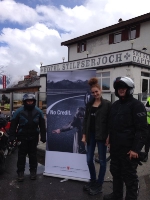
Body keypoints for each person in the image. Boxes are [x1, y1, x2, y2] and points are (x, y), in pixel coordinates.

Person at [103, 77, 148, 200]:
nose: (121, 90)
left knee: (130, 178)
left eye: (123, 87)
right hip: (115, 149)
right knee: (115, 173)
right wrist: (109, 138)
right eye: (118, 88)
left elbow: (142, 130)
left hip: (129, 150)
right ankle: (116, 196)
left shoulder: (137, 105)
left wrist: (135, 149)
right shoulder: (115, 105)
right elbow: (111, 125)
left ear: (129, 89)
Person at [81, 77, 111, 196]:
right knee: (89, 160)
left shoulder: (107, 105)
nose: (95, 94)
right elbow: (86, 120)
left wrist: (109, 136)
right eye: (93, 92)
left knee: (103, 161)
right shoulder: (89, 104)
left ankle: (99, 184)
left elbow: (110, 122)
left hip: (102, 136)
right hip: (90, 135)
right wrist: (84, 135)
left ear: (100, 90)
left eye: (96, 92)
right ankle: (93, 180)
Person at [9, 93, 46, 182]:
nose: (30, 103)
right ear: (24, 102)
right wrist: (12, 137)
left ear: (34, 101)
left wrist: (43, 136)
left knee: (33, 155)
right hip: (22, 137)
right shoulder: (19, 112)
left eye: (31, 101)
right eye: (28, 101)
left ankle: (33, 172)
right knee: (21, 155)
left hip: (34, 137)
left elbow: (42, 126)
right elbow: (13, 125)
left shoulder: (39, 112)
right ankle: (20, 172)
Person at [143, 96, 150, 161]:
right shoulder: (149, 99)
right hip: (148, 123)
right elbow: (145, 108)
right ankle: (146, 155)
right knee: (147, 140)